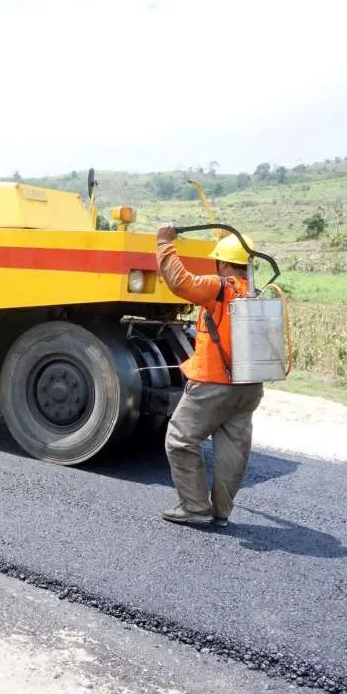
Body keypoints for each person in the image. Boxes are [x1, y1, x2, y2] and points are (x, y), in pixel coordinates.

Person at [154, 222, 265, 528]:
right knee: (233, 447)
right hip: (250, 387)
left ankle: (194, 507)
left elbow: (180, 282)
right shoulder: (258, 295)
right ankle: (221, 512)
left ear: (222, 263)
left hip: (213, 383)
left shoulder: (220, 288)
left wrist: (165, 244)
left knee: (179, 440)